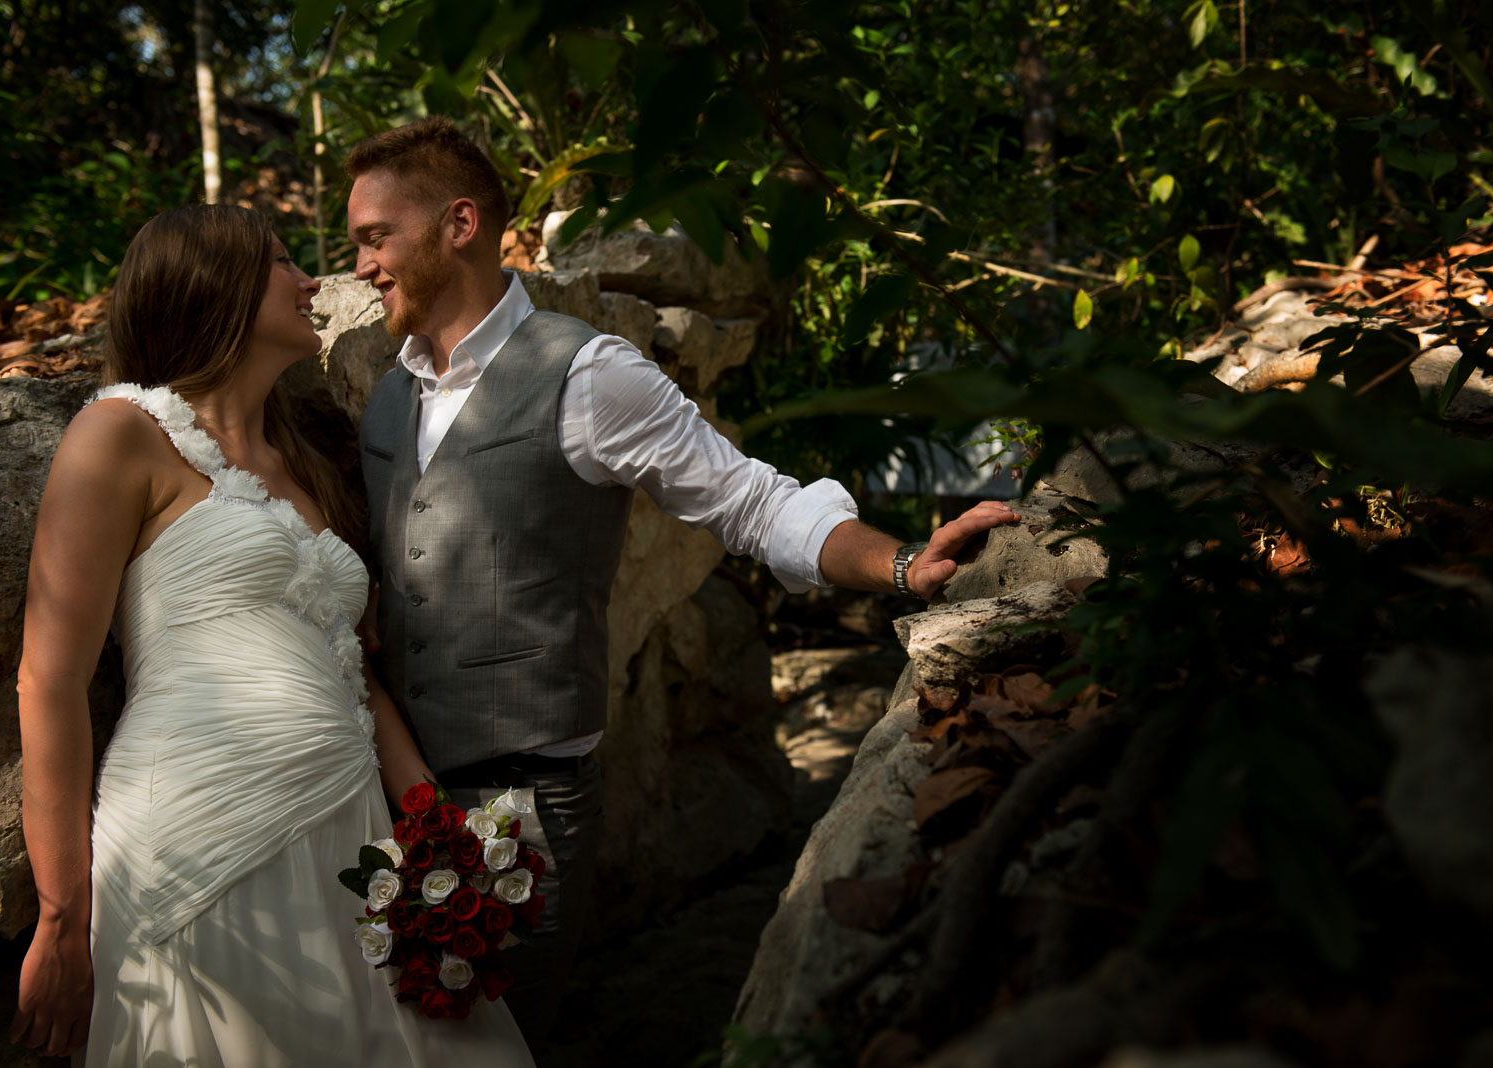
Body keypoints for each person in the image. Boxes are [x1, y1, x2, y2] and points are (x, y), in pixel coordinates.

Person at [347, 117, 1019, 1049]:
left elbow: (751, 502)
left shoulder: (588, 373)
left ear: (459, 224)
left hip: (524, 805)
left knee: (502, 1052)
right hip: (390, 796)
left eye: (376, 237)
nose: (363, 267)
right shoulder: (387, 393)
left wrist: (902, 563)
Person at [9, 204, 533, 1066]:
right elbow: (49, 680)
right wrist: (62, 915)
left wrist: (433, 824)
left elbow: (352, 671)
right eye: (283, 263)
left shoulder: (302, 467)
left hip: (349, 824)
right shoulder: (117, 437)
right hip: (200, 834)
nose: (312, 282)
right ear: (208, 283)